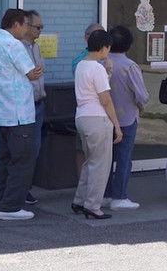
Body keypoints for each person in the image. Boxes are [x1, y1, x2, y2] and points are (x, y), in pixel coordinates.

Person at [0, 8, 43, 221]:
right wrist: (36, 71)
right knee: (22, 161)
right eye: (26, 25)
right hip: (18, 112)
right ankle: (10, 208)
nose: (27, 29)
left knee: (7, 159)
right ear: (16, 24)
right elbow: (32, 73)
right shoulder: (14, 45)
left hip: (0, 112)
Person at [71, 28, 123, 220]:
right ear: (103, 48)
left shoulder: (82, 66)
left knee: (89, 162)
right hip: (97, 119)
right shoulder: (97, 68)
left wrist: (107, 71)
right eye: (108, 48)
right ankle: (93, 206)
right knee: (100, 165)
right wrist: (116, 125)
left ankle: (79, 200)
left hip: (82, 117)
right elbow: (105, 99)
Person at [104, 25, 147, 210]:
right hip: (127, 117)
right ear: (129, 44)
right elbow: (142, 95)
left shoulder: (101, 63)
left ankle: (104, 194)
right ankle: (119, 196)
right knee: (123, 158)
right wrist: (142, 106)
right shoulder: (130, 66)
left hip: (104, 118)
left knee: (105, 159)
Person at [22, 10, 47, 205]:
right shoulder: (17, 48)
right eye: (38, 27)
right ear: (27, 26)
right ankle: (19, 190)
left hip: (39, 103)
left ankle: (25, 188)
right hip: (24, 106)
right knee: (24, 149)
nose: (40, 30)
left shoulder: (36, 48)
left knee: (35, 149)